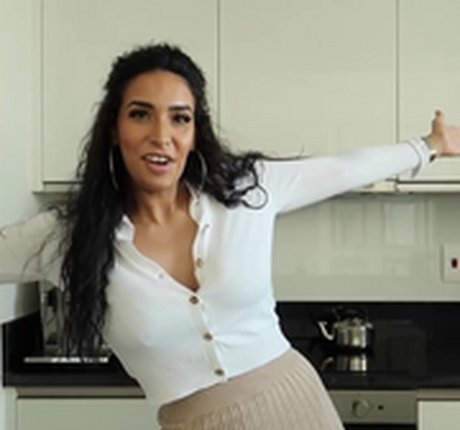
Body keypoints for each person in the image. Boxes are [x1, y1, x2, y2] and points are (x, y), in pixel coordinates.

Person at [1, 43, 460, 430]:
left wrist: (429, 146)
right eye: (141, 114)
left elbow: (345, 168)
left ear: (195, 132)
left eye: (180, 118)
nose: (161, 135)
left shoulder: (247, 191)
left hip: (297, 406)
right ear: (113, 128)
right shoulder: (65, 236)